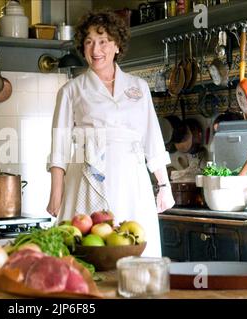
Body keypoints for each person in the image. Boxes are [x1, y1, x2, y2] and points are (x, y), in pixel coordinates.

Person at [46, 10, 175, 257]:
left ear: (117, 45)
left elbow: (152, 138)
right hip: (86, 177)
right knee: (87, 247)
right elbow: (59, 149)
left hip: (132, 178)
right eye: (89, 42)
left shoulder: (138, 87)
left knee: (134, 243)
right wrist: (55, 193)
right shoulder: (71, 91)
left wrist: (164, 185)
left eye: (103, 41)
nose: (96, 50)